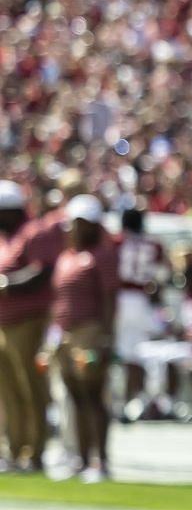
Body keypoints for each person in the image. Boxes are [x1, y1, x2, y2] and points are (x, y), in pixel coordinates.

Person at [44, 197, 119, 481]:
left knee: (93, 394)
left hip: (90, 332)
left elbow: (110, 299)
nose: (69, 230)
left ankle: (101, 461)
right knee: (74, 395)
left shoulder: (101, 255)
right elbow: (57, 300)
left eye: (75, 224)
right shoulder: (66, 256)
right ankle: (81, 457)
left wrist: (106, 336)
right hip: (65, 333)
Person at [0, 181, 64, 473]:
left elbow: (43, 271)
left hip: (28, 323)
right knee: (9, 391)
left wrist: (6, 286)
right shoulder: (5, 237)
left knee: (31, 389)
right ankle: (14, 450)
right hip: (5, 324)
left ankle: (34, 452)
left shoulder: (35, 232)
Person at [111, 205, 169, 421]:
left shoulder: (115, 242)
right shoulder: (154, 245)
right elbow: (161, 277)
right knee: (137, 355)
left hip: (118, 299)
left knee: (122, 354)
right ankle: (133, 400)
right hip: (141, 301)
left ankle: (124, 403)